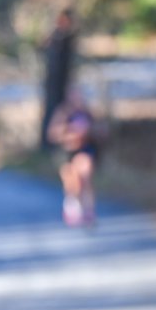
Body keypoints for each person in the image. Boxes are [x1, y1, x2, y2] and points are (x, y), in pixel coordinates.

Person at [47, 86, 100, 227]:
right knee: (72, 182)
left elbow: (100, 131)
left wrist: (87, 132)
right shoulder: (62, 112)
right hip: (66, 151)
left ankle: (89, 210)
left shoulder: (86, 113)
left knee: (86, 175)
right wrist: (68, 132)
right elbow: (52, 134)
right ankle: (72, 206)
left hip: (84, 149)